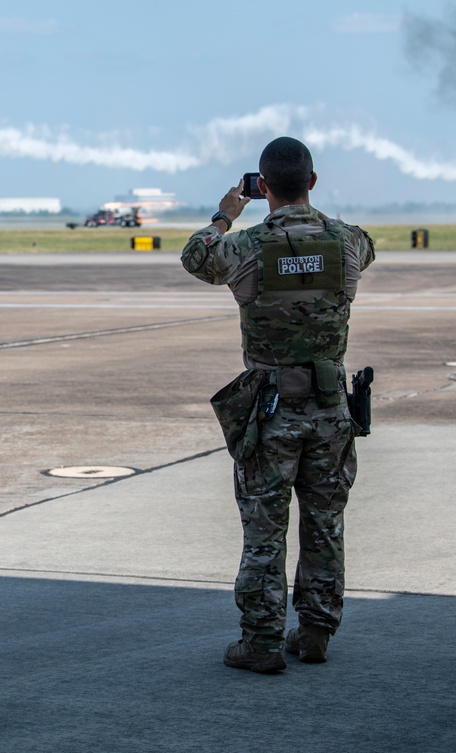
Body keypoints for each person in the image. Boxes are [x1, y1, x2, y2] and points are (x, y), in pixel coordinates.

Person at [180, 137, 375, 673]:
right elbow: (362, 246)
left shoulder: (245, 247)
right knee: (325, 523)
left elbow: (195, 256)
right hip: (332, 409)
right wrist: (314, 221)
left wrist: (226, 213)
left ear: (261, 186)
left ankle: (262, 641)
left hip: (270, 412)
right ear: (312, 182)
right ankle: (315, 631)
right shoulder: (349, 242)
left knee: (264, 528)